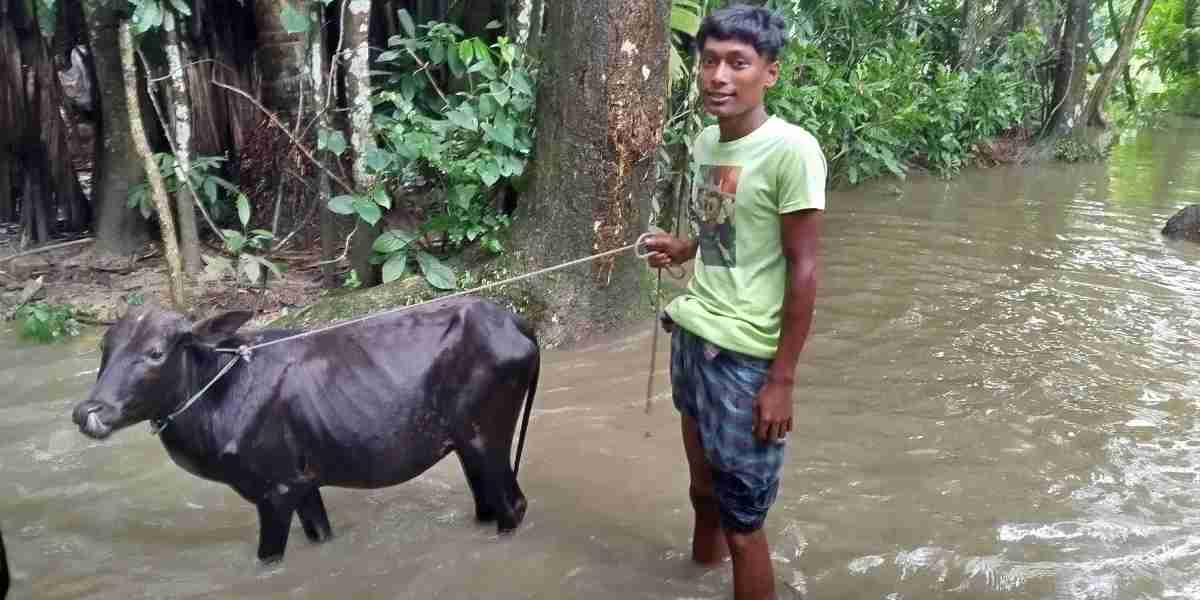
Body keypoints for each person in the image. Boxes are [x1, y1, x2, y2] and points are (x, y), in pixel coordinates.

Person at [640, 5, 826, 599]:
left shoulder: (791, 151)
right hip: (694, 336)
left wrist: (783, 380)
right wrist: (685, 245)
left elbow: (805, 269)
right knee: (702, 494)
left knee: (745, 525)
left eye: (738, 63)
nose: (719, 76)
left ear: (769, 73)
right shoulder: (704, 144)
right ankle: (695, 578)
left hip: (746, 360)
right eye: (710, 61)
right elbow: (723, 228)